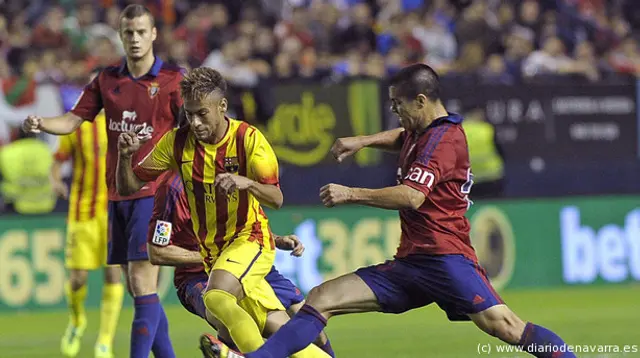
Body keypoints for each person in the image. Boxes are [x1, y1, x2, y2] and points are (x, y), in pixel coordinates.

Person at [204, 64, 576, 358]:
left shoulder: (444, 140)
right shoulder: (423, 131)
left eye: (398, 105)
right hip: (412, 264)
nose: (395, 113)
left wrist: (351, 193)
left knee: (507, 327)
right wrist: (363, 141)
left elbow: (412, 197)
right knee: (321, 298)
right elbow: (403, 138)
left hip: (447, 260)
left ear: (420, 100)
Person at [115, 67, 329, 358]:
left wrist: (248, 183)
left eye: (202, 113)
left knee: (219, 297)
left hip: (249, 242)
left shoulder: (248, 139)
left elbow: (276, 198)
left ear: (222, 107)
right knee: (280, 331)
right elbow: (130, 189)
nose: (195, 122)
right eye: (189, 114)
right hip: (213, 261)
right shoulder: (176, 154)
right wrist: (125, 157)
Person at [22, 5, 183, 357]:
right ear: (121, 36)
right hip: (118, 195)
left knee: (142, 280)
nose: (136, 39)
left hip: (154, 194)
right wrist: (40, 123)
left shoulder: (173, 79)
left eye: (142, 32)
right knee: (137, 287)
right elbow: (71, 120)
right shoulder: (107, 80)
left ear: (153, 33)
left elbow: (194, 128)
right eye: (129, 33)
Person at [147, 171, 334, 356]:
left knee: (308, 326)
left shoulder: (232, 173)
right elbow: (158, 251)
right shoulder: (173, 189)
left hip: (248, 261)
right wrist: (211, 255)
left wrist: (276, 239)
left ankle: (232, 352)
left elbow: (248, 222)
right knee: (258, 323)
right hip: (200, 276)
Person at [50, 67, 124, 358]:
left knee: (113, 275)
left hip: (113, 211)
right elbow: (58, 159)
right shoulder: (77, 123)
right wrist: (55, 179)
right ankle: (77, 321)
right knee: (78, 277)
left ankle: (104, 340)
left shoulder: (123, 123)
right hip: (82, 211)